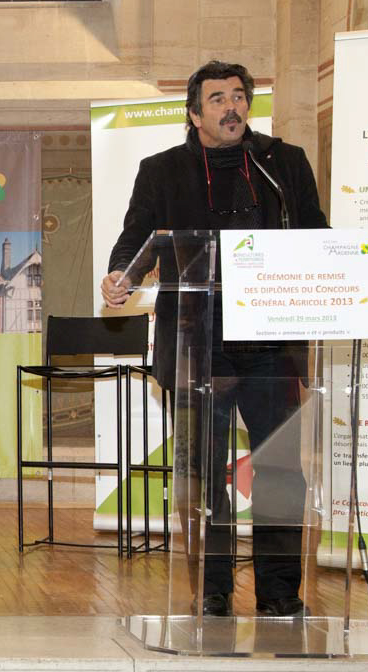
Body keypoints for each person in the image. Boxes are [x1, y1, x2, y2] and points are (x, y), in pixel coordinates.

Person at [101, 60, 328, 618]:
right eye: (218, 98)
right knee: (203, 473)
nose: (232, 107)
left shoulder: (283, 164)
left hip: (272, 341)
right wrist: (119, 276)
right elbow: (137, 240)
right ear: (195, 112)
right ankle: (215, 587)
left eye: (238, 97)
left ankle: (279, 592)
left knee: (279, 471)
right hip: (196, 343)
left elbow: (315, 234)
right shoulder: (163, 170)